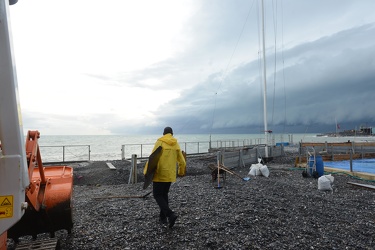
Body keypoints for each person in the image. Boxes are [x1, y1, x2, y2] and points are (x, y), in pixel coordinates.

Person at [150, 126, 186, 228]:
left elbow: (153, 157)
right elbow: (182, 161)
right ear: (172, 134)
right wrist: (181, 172)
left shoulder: (160, 142)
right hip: (170, 174)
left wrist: (147, 173)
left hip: (159, 173)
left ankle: (170, 214)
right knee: (164, 194)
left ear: (163, 134)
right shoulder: (176, 144)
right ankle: (163, 218)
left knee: (157, 195)